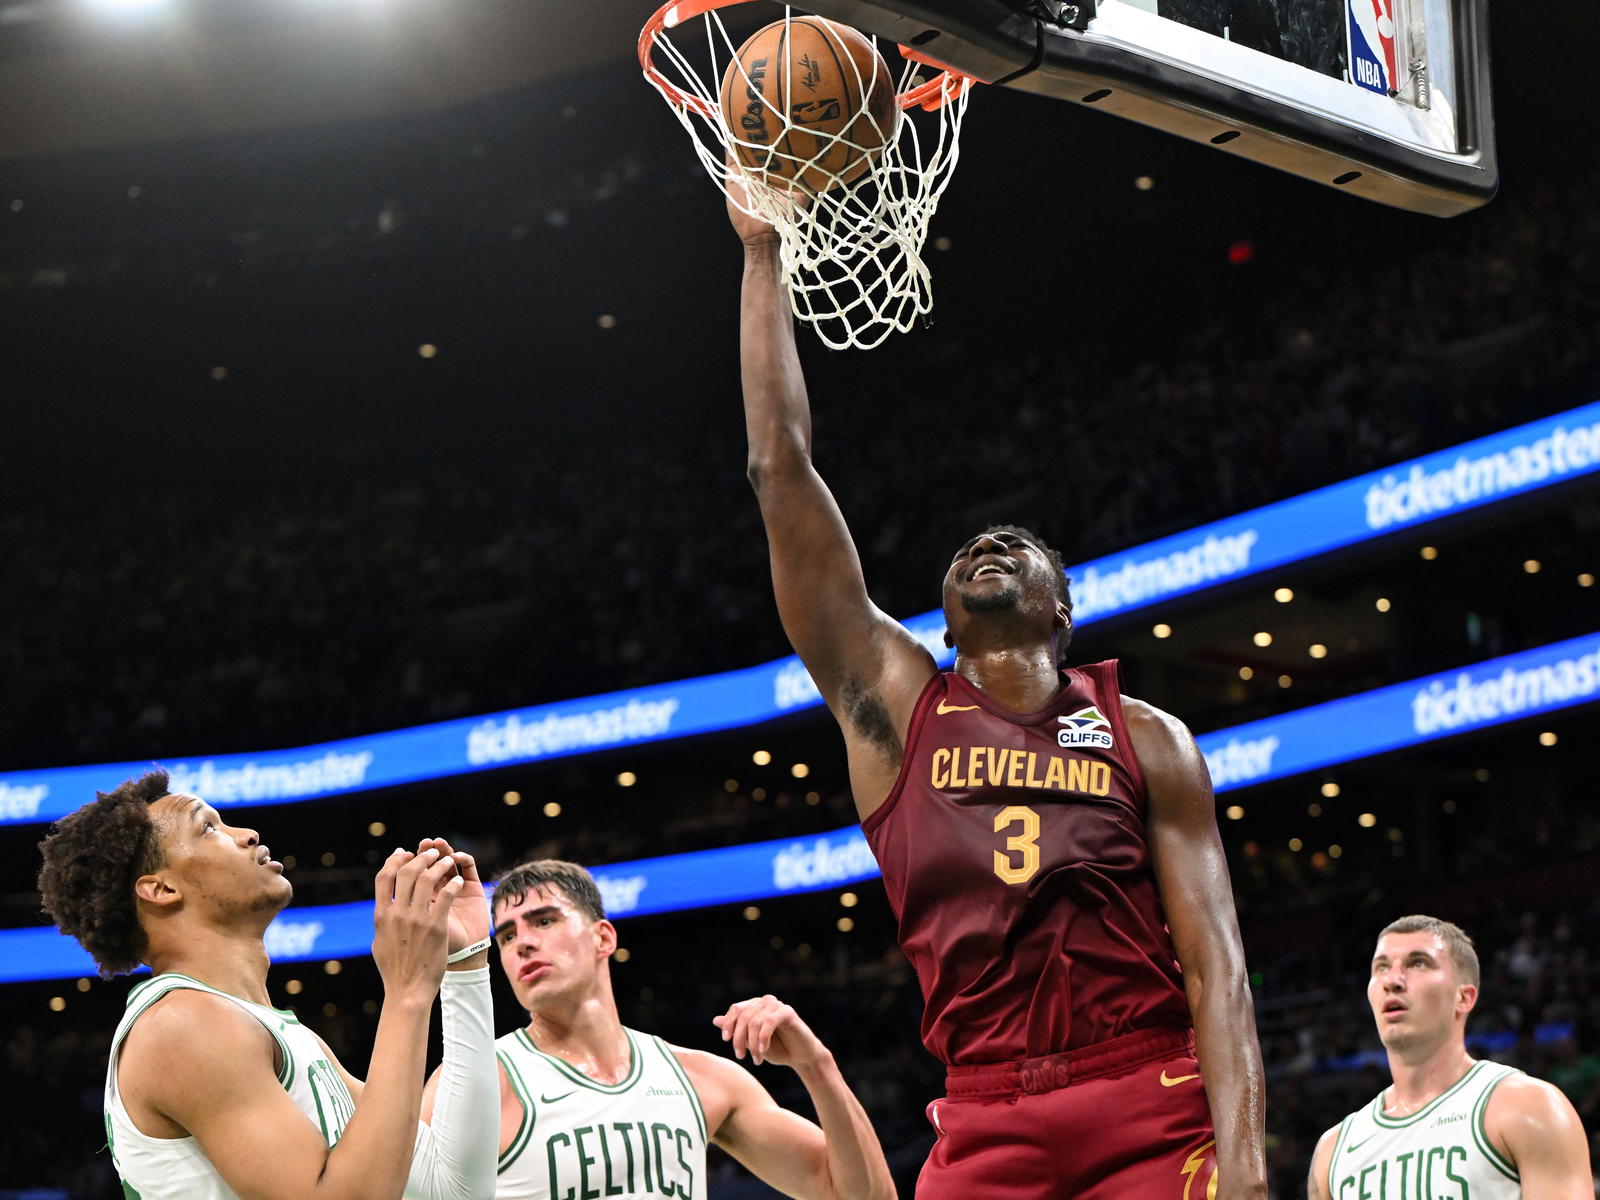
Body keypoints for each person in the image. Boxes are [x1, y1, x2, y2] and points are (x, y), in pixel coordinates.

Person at [728, 193, 1267, 1199]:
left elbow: (1218, 969)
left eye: (1017, 547)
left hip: (1144, 1095)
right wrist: (763, 251)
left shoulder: (1146, 738)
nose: (987, 545)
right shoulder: (895, 709)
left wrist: (1243, 1171)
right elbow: (777, 468)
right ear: (941, 620)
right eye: (970, 548)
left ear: (1060, 608)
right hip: (983, 1115)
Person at [35, 768, 500, 1200]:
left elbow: (454, 1188)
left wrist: (466, 963)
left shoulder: (280, 1034)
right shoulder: (181, 1026)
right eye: (209, 828)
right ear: (160, 889)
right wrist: (407, 993)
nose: (248, 834)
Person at [452, 857, 893, 1200]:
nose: (523, 942)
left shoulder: (700, 1078)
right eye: (507, 936)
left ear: (603, 938)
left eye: (545, 920)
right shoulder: (483, 1081)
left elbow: (860, 1194)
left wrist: (816, 1064)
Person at [1307, 915, 1592, 1200]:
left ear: (1464, 998)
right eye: (1381, 967)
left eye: (1418, 963)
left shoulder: (1529, 1108)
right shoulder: (1333, 1151)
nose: (1391, 980)